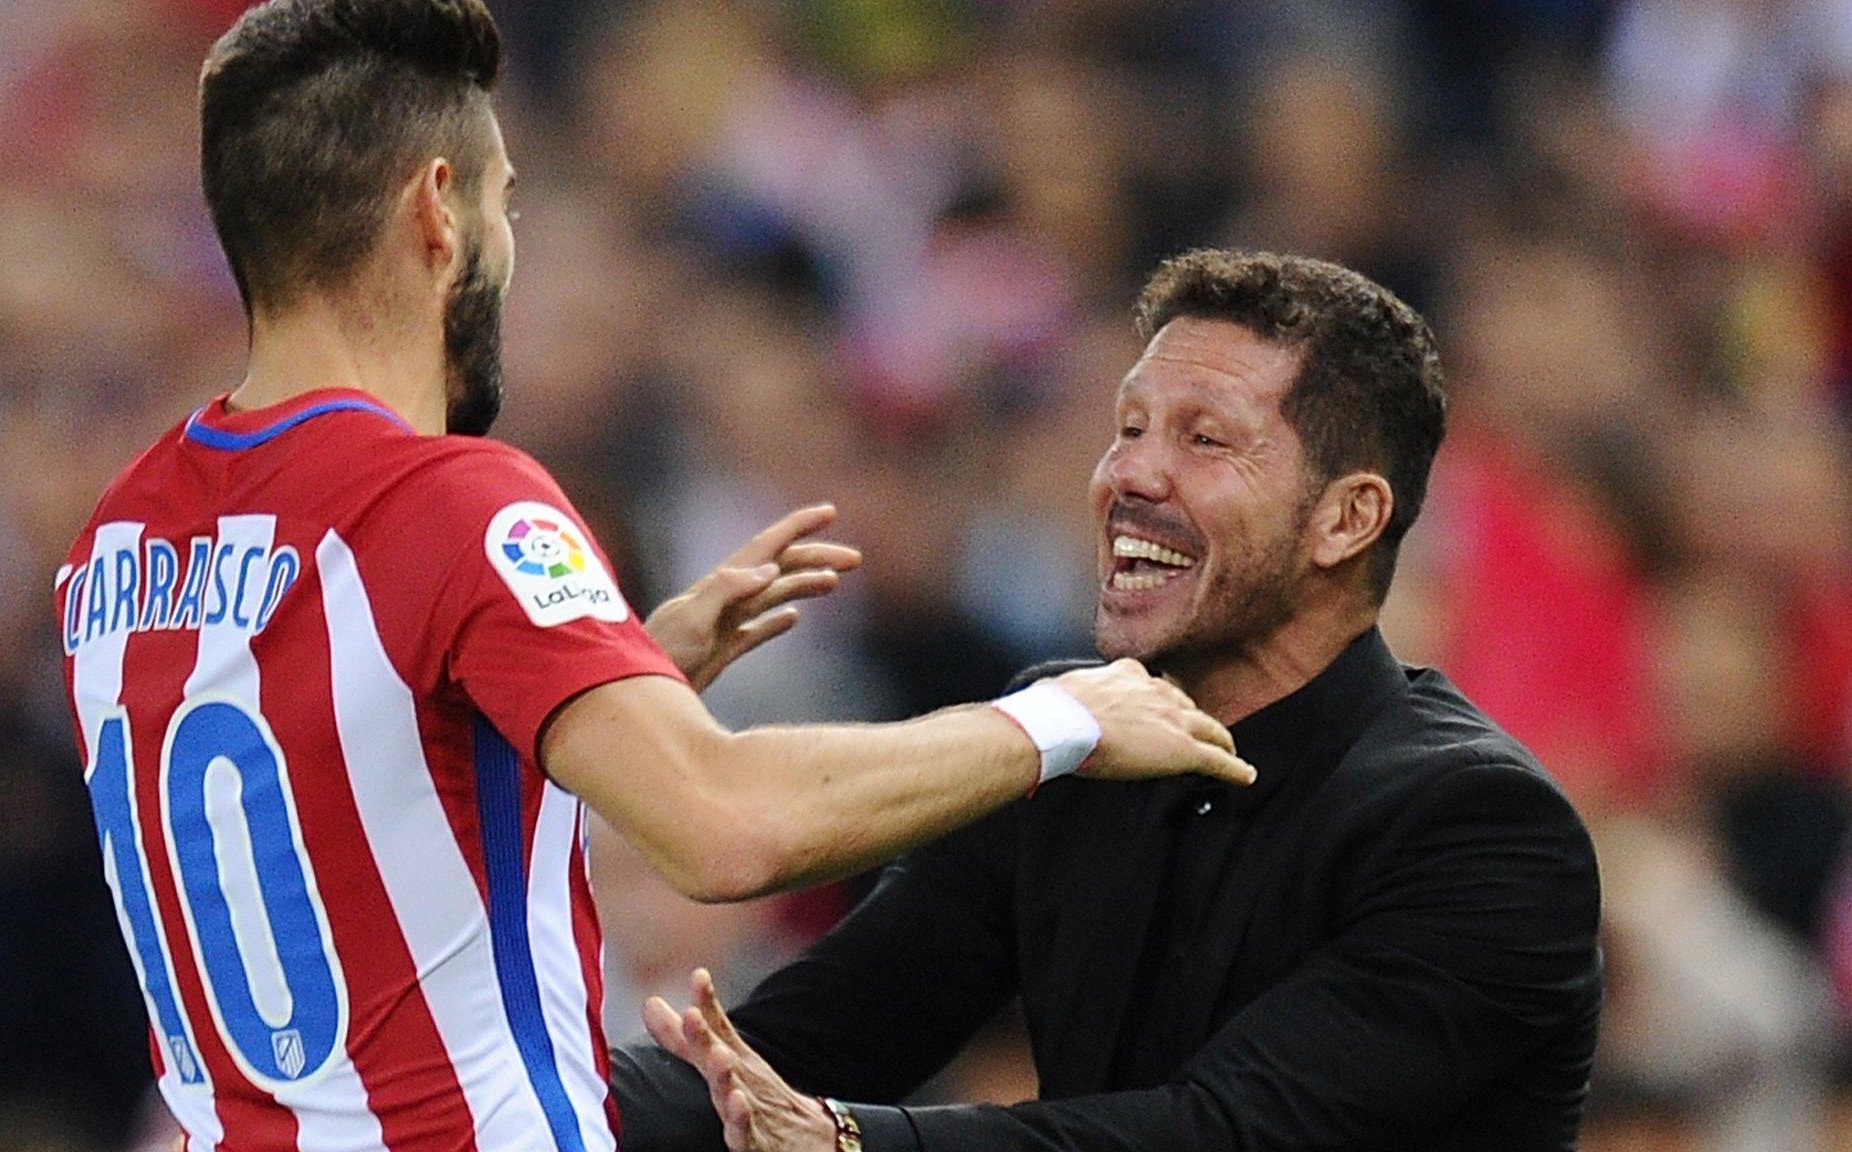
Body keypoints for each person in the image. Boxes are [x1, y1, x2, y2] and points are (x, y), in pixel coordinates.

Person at [51, 3, 1256, 1150]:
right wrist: (1061, 719)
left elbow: (337, 801)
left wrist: (617, 668)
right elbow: (726, 827)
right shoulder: (447, 499)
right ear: (436, 210)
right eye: (503, 203)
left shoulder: (118, 541)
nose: (506, 250)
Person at [614, 250, 1605, 1152]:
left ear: (1346, 517)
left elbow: (1224, 1133)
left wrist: (850, 1143)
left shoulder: (1479, 830)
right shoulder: (1069, 745)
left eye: (1203, 439)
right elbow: (787, 1055)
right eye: (1127, 427)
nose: (1128, 472)